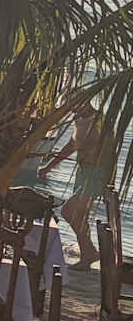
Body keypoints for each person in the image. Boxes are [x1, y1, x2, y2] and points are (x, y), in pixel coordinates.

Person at [45, 101, 108, 269]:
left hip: (96, 174)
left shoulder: (99, 121)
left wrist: (106, 179)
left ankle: (90, 252)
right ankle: (87, 257)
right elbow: (72, 145)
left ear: (85, 102)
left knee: (68, 211)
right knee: (80, 217)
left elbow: (108, 150)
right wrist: (48, 167)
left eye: (75, 105)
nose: (73, 109)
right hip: (83, 173)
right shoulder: (80, 120)